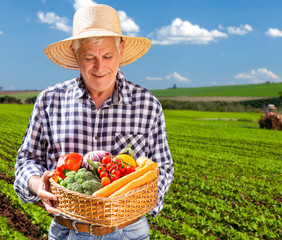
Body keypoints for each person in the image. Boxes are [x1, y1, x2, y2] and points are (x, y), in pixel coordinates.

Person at [14, 4, 174, 239]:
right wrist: (38, 185)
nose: (100, 67)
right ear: (75, 54)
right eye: (89, 57)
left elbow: (164, 168)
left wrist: (136, 202)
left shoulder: (147, 105)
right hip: (67, 230)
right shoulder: (50, 101)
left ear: (121, 49)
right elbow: (26, 160)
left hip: (129, 231)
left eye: (107, 56)